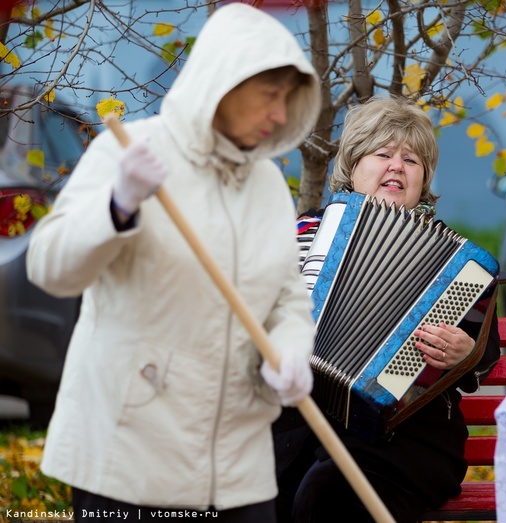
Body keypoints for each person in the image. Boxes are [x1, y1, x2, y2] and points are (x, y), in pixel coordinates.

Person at [26, 4, 320, 522]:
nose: (280, 115)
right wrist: (117, 204)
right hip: (132, 459)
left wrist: (293, 348)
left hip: (238, 467)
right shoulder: (132, 153)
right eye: (270, 95)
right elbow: (50, 268)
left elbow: (286, 295)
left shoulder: (269, 184)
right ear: (222, 82)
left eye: (289, 100)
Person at [274, 96, 501, 523]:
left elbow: (485, 355)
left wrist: (465, 353)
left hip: (405, 435)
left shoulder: (455, 261)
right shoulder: (307, 231)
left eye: (411, 160)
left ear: (424, 178)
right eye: (383, 154)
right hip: (300, 424)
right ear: (353, 167)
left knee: (326, 494)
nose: (396, 166)